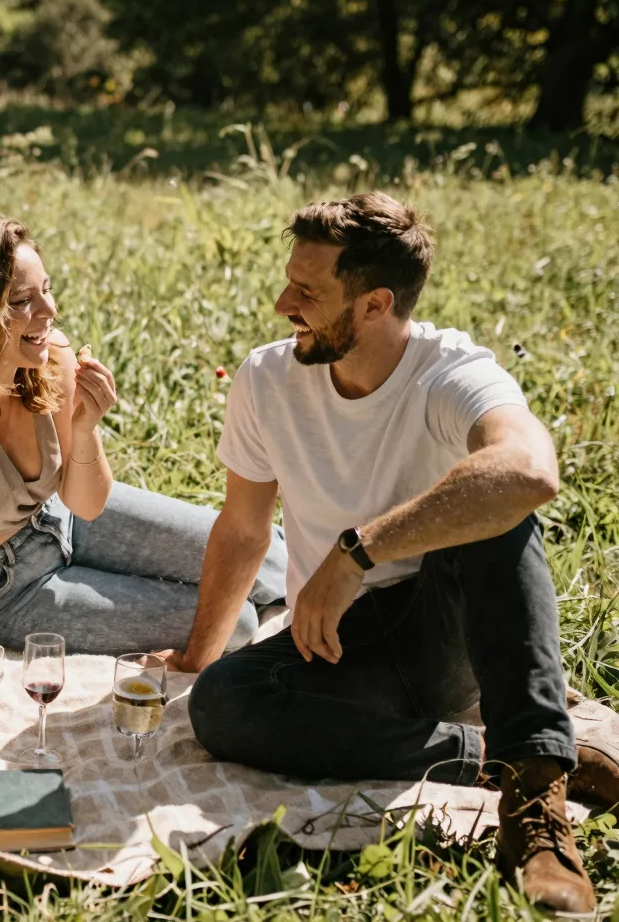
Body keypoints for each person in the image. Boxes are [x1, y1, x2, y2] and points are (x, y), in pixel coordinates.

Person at [167, 191, 619, 912]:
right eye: (290, 282)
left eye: (308, 291)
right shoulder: (265, 379)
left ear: (375, 303)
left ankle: (536, 802)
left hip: (448, 630)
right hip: (344, 647)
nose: (284, 303)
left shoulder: (450, 373)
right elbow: (245, 528)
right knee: (221, 704)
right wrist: (197, 657)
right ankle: (485, 758)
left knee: (498, 508)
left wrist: (356, 554)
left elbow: (532, 469)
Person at [0, 218, 287, 656]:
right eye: (22, 301)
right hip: (1, 590)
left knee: (270, 557)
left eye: (46, 289)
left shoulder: (51, 358)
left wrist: (85, 430)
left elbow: (86, 504)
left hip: (66, 518)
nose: (48, 312)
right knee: (231, 622)